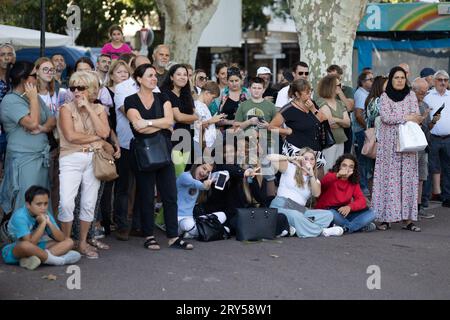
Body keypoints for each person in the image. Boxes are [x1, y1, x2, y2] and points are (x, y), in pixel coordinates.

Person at [125, 63, 193, 250]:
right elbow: (137, 126)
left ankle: (173, 236)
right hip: (143, 152)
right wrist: (160, 125)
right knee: (147, 196)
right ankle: (148, 235)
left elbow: (169, 121)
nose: (154, 78)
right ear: (139, 79)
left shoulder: (162, 96)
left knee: (170, 195)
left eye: (155, 75)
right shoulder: (130, 100)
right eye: (150, 75)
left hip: (164, 151)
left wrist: (148, 122)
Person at [58, 71, 112, 258]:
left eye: (81, 87)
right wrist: (96, 138)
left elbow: (105, 132)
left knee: (88, 203)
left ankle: (82, 243)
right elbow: (71, 136)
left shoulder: (98, 109)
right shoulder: (65, 108)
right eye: (73, 88)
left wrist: (88, 108)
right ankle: (66, 243)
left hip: (93, 159)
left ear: (91, 90)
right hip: (70, 158)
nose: (76, 92)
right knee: (66, 202)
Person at [0, 61, 56, 214]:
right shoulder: (10, 100)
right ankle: (24, 235)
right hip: (24, 160)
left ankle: (41, 231)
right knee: (28, 200)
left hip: (41, 158)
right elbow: (32, 123)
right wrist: (32, 99)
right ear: (24, 78)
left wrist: (43, 128)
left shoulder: (34, 98)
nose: (37, 78)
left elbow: (52, 119)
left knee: (42, 201)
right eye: (34, 75)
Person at [372, 66, 423, 232]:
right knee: (389, 180)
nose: (400, 80)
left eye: (402, 77)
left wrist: (405, 118)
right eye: (396, 78)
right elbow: (386, 117)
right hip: (389, 146)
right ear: (391, 80)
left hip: (408, 145)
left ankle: (407, 220)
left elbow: (416, 116)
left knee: (407, 180)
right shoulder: (384, 97)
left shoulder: (411, 96)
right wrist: (406, 117)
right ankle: (386, 218)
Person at [113, 55, 151, 240]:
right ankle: (121, 225)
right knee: (124, 187)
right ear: (133, 70)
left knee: (144, 186)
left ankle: (137, 225)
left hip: (148, 144)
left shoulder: (155, 87)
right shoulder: (122, 88)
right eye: (141, 66)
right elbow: (129, 113)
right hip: (127, 143)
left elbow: (159, 111)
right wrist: (153, 119)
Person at [268, 149, 344, 238]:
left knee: (328, 215)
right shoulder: (290, 168)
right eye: (306, 158)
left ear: (315, 162)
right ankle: (321, 231)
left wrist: (311, 174)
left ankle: (293, 228)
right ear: (300, 159)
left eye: (312, 159)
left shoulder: (314, 180)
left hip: (301, 210)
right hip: (282, 205)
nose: (309, 161)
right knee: (296, 216)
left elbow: (316, 194)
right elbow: (269, 158)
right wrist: (291, 158)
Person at [1, 186, 80, 270]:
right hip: (13, 250)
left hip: (36, 248)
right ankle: (58, 260)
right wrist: (42, 223)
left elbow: (61, 238)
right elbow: (30, 243)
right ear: (28, 205)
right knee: (25, 245)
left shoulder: (44, 213)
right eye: (39, 204)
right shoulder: (19, 216)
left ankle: (34, 259)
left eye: (45, 203)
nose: (43, 208)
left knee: (69, 241)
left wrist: (49, 223)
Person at [269, 79, 327, 172]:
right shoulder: (288, 109)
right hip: (296, 151)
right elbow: (271, 127)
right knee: (298, 182)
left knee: (318, 182)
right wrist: (287, 131)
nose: (310, 94)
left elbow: (323, 119)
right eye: (307, 92)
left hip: (315, 150)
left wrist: (312, 108)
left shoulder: (312, 103)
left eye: (310, 91)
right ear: (297, 94)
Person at [315, 154, 376, 233]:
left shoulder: (353, 182)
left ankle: (346, 228)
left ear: (354, 169)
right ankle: (360, 226)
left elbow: (361, 200)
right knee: (332, 213)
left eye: (351, 166)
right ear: (339, 166)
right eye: (344, 165)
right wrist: (338, 174)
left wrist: (349, 207)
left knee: (373, 213)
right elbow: (323, 183)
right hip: (328, 211)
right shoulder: (331, 176)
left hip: (344, 212)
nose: (347, 168)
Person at [35, 57, 65, 215]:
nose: (49, 73)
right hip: (39, 144)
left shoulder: (59, 91)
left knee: (56, 186)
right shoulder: (31, 93)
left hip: (57, 142)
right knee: (42, 185)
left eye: (51, 70)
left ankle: (53, 222)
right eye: (45, 69)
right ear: (36, 71)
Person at [177, 163, 228, 238]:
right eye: (203, 168)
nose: (204, 173)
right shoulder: (185, 176)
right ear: (197, 165)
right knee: (188, 224)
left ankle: (193, 233)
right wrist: (204, 185)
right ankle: (219, 231)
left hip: (191, 219)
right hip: (177, 219)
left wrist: (225, 174)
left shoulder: (200, 181)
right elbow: (196, 184)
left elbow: (224, 173)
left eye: (208, 172)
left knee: (222, 215)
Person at [423, 70, 450, 208]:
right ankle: (425, 200)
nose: (443, 82)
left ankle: (447, 197)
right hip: (432, 138)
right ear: (434, 81)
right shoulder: (427, 97)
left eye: (445, 80)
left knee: (448, 168)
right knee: (430, 168)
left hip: (448, 138)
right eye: (440, 79)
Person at [412, 77, 436, 219]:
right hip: (412, 146)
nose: (424, 95)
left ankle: (418, 208)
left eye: (426, 92)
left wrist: (433, 120)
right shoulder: (409, 104)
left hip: (424, 145)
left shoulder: (425, 104)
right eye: (421, 92)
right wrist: (423, 117)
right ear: (413, 91)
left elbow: (427, 128)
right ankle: (409, 209)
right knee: (412, 179)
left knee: (421, 178)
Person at [317, 74, 350, 172]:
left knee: (338, 169)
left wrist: (336, 120)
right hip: (329, 142)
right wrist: (341, 121)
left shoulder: (340, 103)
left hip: (341, 140)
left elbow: (348, 123)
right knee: (328, 169)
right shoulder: (321, 102)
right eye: (338, 85)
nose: (340, 88)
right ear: (330, 86)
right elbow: (330, 123)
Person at [363, 75, 388, 193]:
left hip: (379, 138)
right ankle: (376, 196)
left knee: (377, 169)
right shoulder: (376, 100)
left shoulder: (376, 99)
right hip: (377, 139)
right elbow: (375, 116)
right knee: (376, 170)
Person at [353, 70, 374, 196]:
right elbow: (359, 115)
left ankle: (365, 186)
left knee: (366, 159)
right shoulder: (361, 94)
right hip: (361, 131)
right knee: (363, 159)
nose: (372, 81)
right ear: (362, 82)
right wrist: (367, 127)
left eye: (373, 79)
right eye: (370, 79)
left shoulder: (366, 93)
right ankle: (363, 186)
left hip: (364, 130)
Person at [326, 65, 355, 154]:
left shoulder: (347, 90)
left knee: (345, 155)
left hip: (345, 127)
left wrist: (339, 92)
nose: (331, 79)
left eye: (334, 77)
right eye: (329, 77)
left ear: (340, 77)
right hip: (330, 127)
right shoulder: (324, 91)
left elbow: (350, 108)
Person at [193, 81, 224, 163]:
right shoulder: (197, 105)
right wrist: (212, 120)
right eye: (213, 97)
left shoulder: (204, 106)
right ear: (207, 93)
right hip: (203, 145)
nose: (213, 101)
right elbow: (197, 125)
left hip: (209, 146)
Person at [0, 43, 15, 171]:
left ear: (14, 58)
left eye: (9, 54)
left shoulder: (18, 77)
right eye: (2, 54)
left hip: (14, 130)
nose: (6, 58)